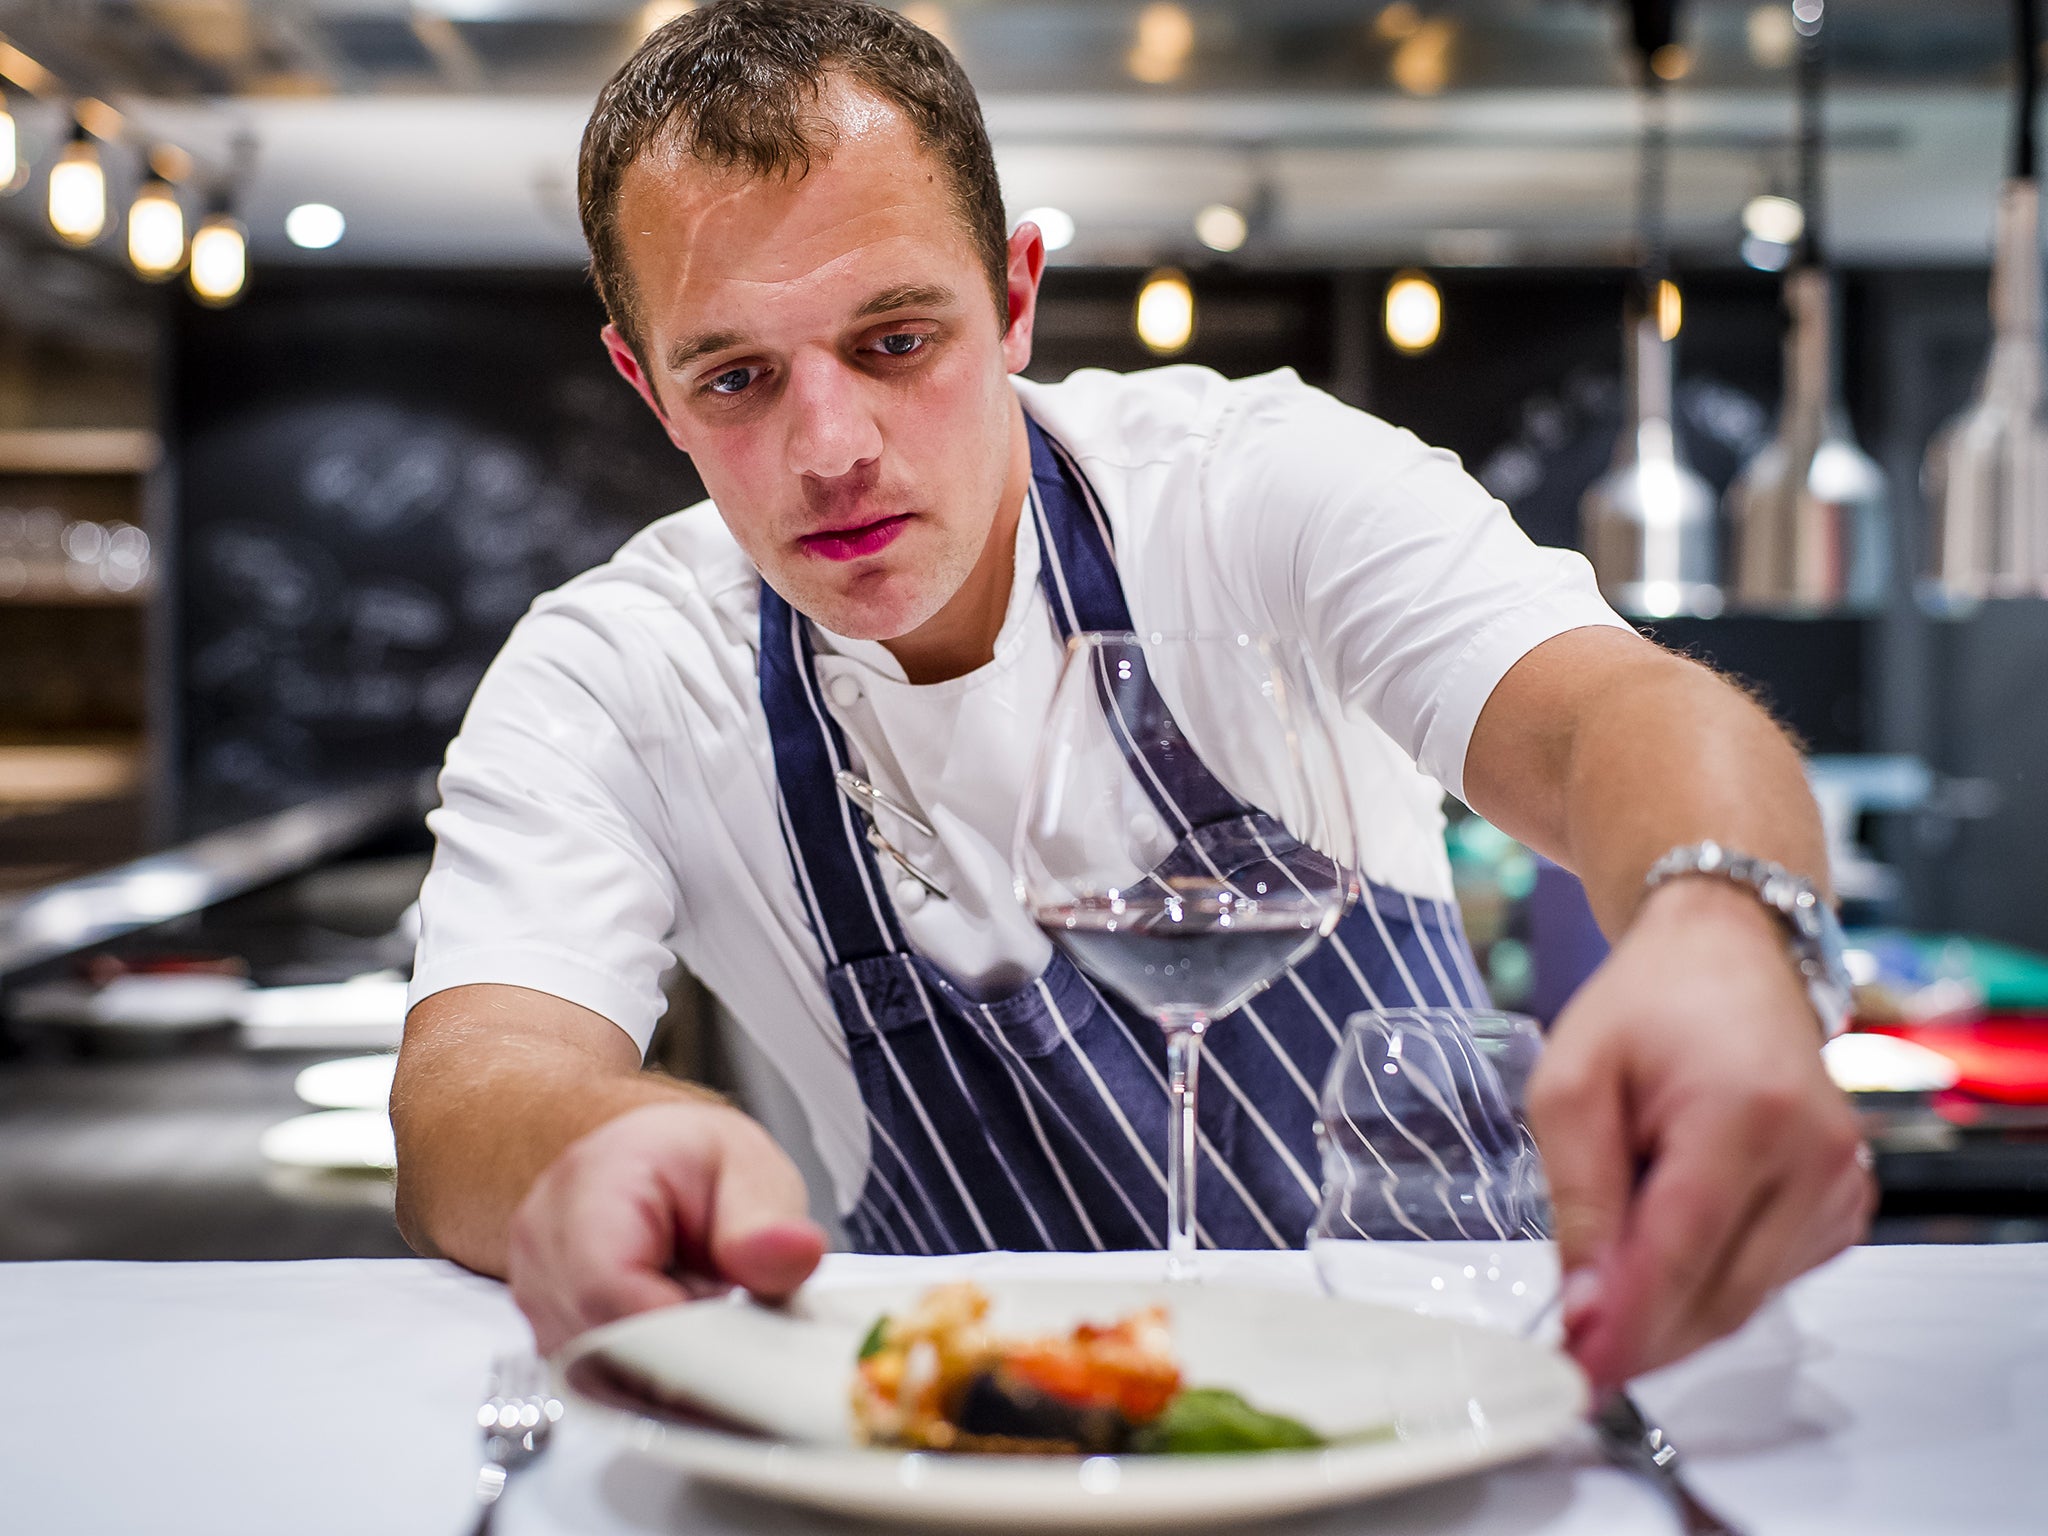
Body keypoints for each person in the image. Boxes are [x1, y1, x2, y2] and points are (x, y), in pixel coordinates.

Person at [391, 0, 1872, 1393]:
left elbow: (1605, 714)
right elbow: (475, 1082)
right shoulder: (616, 670)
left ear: (1017, 296)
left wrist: (1726, 932)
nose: (830, 446)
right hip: (979, 1451)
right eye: (734, 380)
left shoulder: (1252, 485)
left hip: (1449, 1390)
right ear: (647, 388)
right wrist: (606, 1138)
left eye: (896, 343)